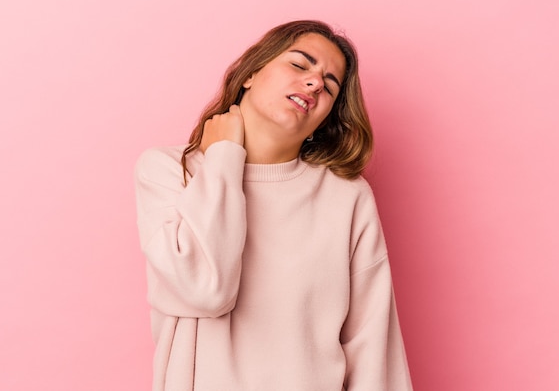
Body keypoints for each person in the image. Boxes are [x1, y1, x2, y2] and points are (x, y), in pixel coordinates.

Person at [134, 20, 413, 391]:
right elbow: (204, 289)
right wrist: (223, 157)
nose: (314, 82)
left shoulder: (346, 197)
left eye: (329, 86)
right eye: (300, 65)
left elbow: (375, 348)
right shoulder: (171, 171)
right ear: (250, 73)